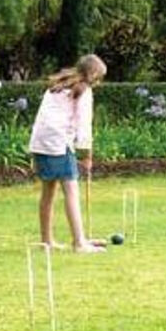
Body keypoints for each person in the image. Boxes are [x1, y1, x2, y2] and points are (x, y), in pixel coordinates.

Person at [29, 54, 108, 252]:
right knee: (71, 190)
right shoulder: (83, 91)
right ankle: (79, 242)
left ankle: (47, 241)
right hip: (58, 143)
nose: (98, 82)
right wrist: (87, 155)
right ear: (91, 74)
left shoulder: (57, 85)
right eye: (98, 77)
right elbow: (84, 126)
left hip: (40, 143)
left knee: (48, 191)